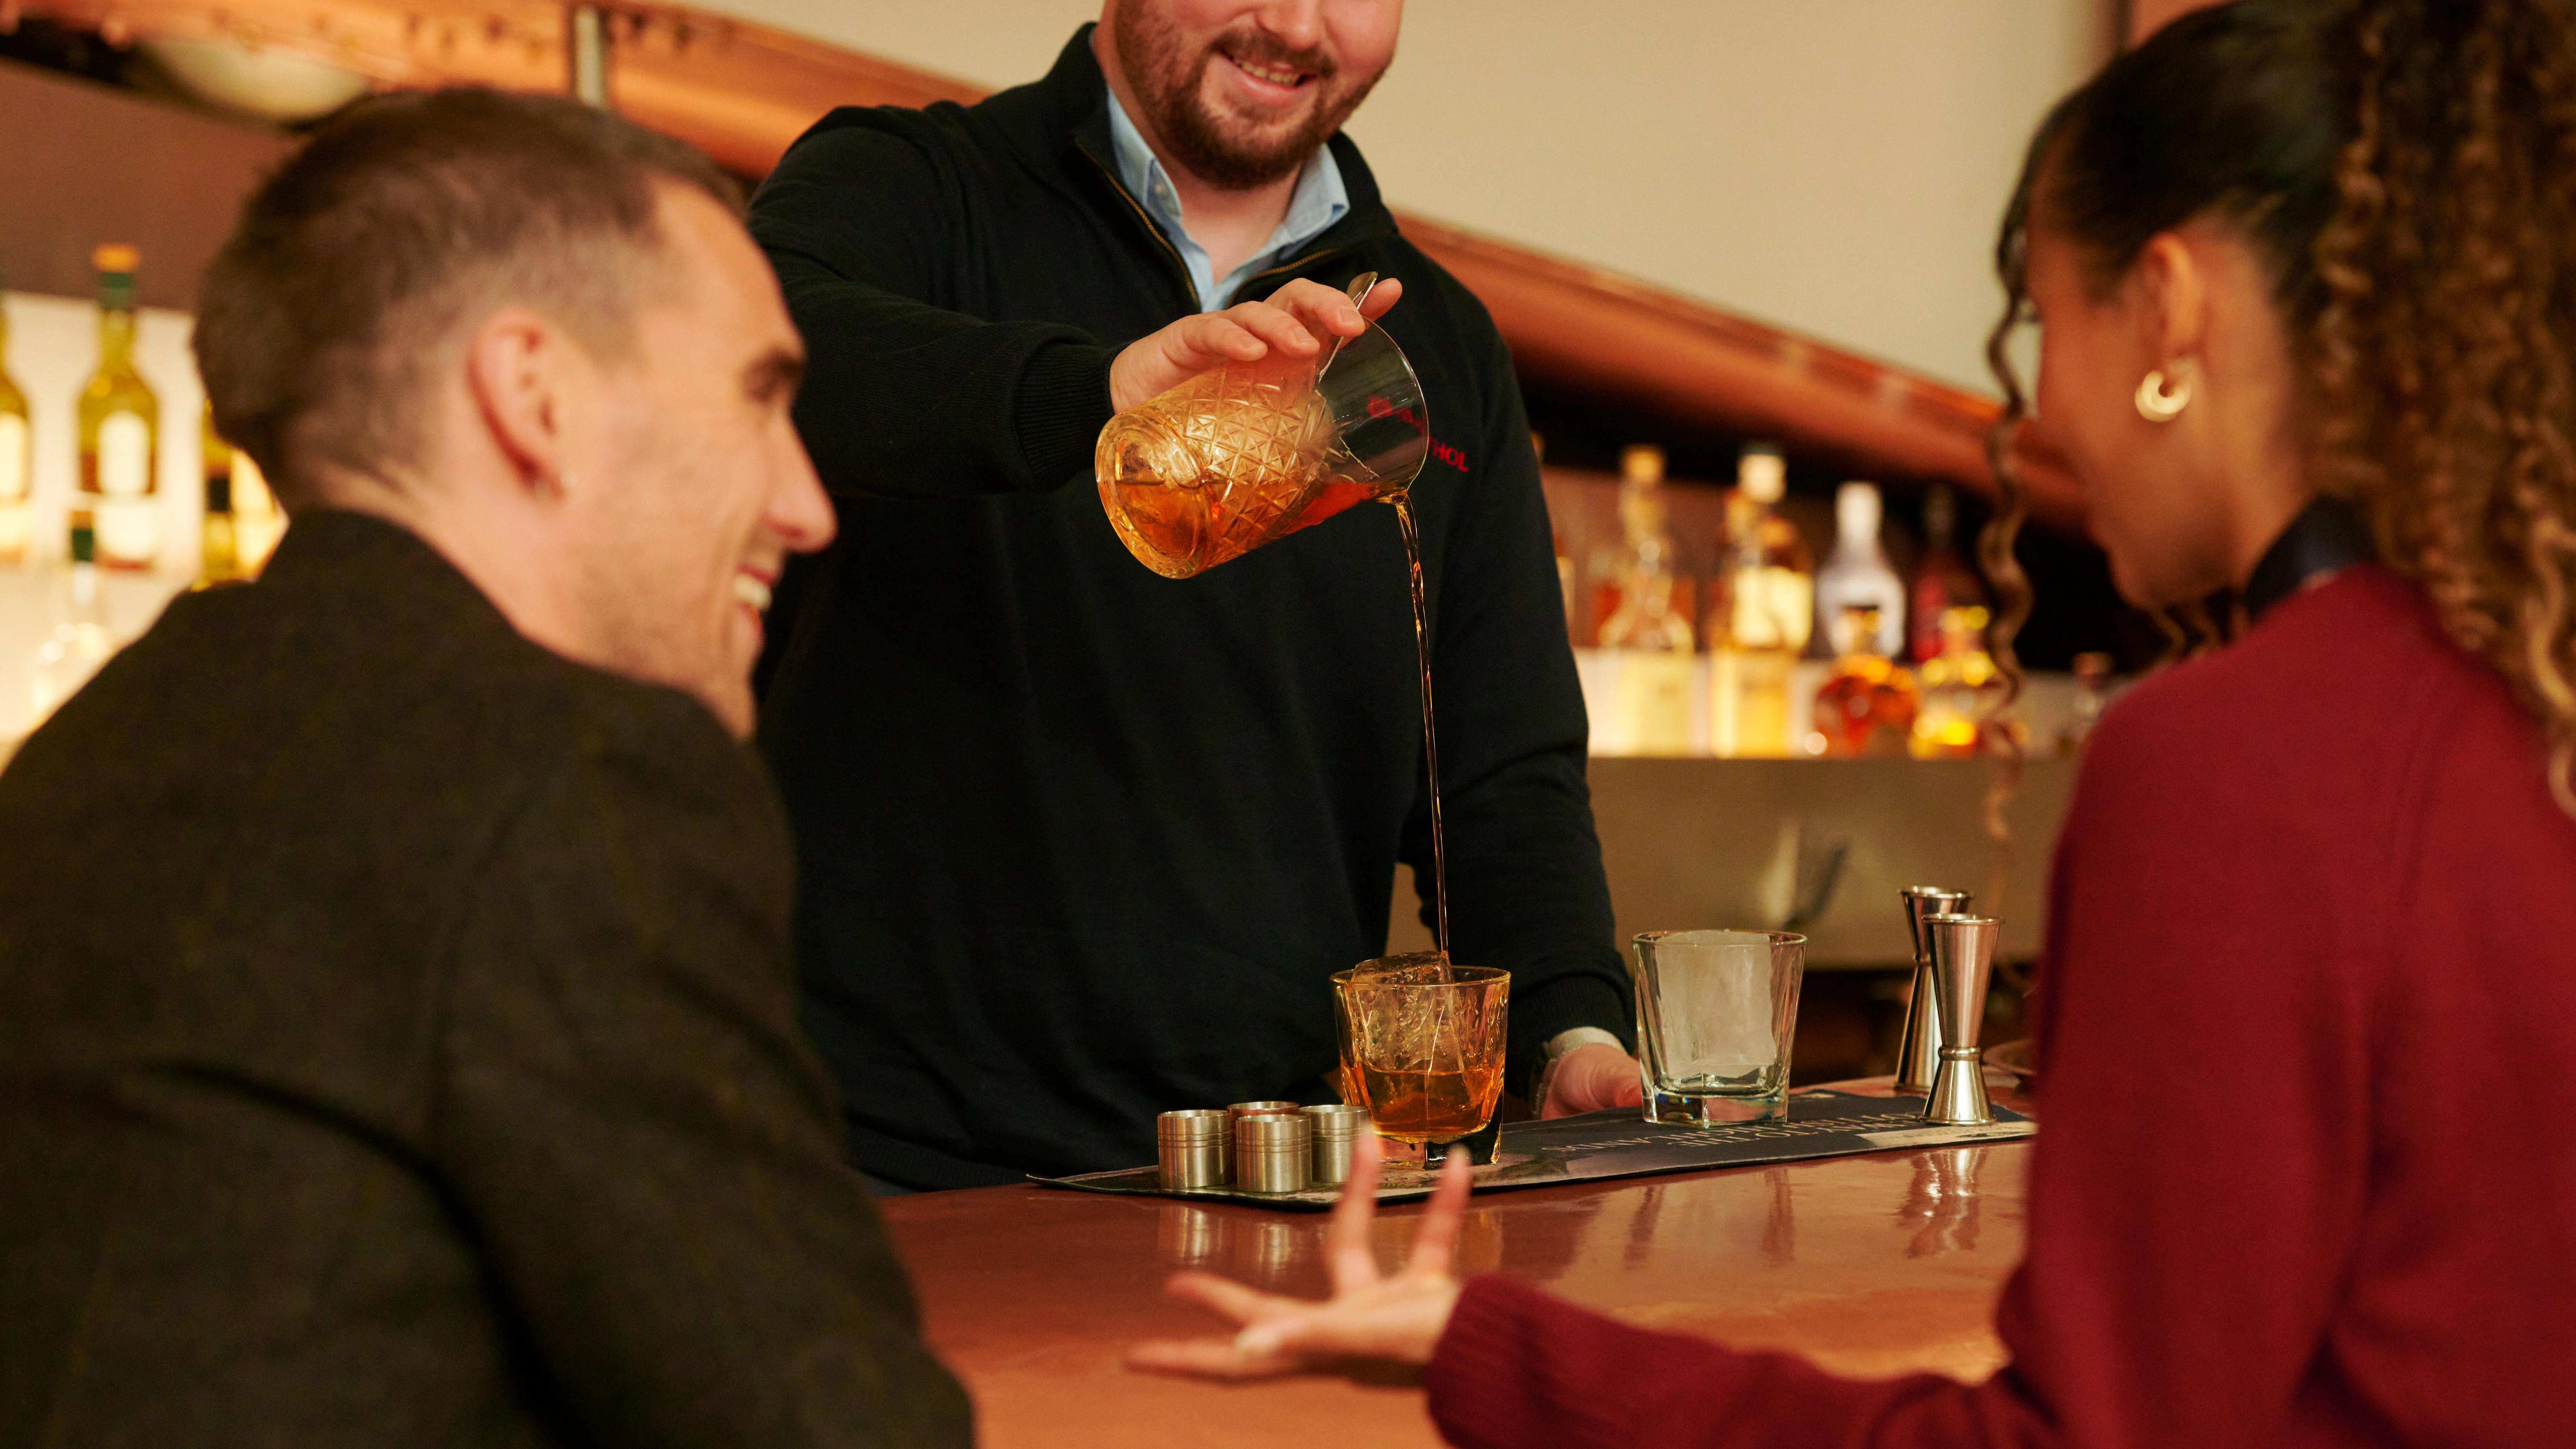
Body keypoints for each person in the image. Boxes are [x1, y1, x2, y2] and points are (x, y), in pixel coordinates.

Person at [1127, 2, 2576, 1443]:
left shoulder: (2236, 767)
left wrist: (1491, 1350)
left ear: (2171, 310)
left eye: (2040, 326)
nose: (2044, 420)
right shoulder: (2530, 698)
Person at [0, 90, 972, 1447]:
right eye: (759, 397)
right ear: (535, 396)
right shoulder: (574, 774)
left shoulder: (95, 750)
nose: (808, 506)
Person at [748, 0, 1642, 1192]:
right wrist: (1098, 392)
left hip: (1271, 1170)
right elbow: (758, 358)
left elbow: (1495, 770)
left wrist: (1570, 1031)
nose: (1293, 23)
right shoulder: (914, 187)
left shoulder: (1437, 345)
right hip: (878, 1167)